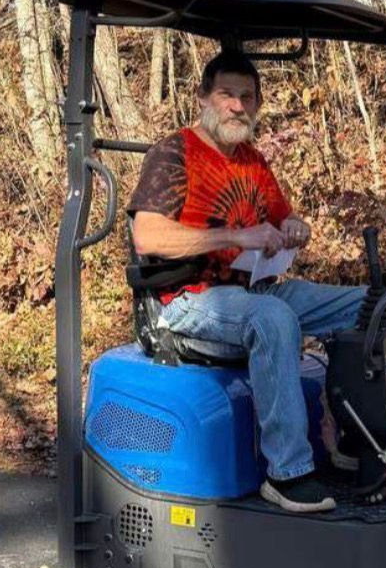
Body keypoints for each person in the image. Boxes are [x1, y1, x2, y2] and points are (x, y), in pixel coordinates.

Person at [128, 52, 365, 514]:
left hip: (252, 291)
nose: (237, 106)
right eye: (226, 94)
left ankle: (358, 440)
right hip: (186, 300)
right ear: (203, 97)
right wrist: (235, 236)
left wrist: (294, 227)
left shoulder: (253, 161)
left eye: (247, 97)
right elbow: (148, 237)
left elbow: (284, 218)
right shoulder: (174, 153)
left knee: (367, 305)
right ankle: (288, 473)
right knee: (273, 316)